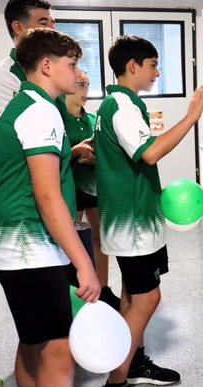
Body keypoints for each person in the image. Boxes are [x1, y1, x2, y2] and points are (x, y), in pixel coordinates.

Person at [0, 27, 100, 387]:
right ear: (46, 65)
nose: (78, 74)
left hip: (12, 251)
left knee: (33, 344)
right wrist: (85, 265)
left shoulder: (22, 104)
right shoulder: (41, 112)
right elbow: (48, 198)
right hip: (29, 252)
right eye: (72, 65)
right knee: (58, 353)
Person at [95, 35, 203, 387]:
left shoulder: (116, 104)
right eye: (153, 65)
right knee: (148, 296)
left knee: (132, 293)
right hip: (133, 225)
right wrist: (190, 118)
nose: (157, 72)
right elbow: (150, 153)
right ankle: (117, 378)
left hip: (132, 218)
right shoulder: (122, 106)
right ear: (133, 67)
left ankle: (134, 363)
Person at [63, 70, 122, 310]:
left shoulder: (91, 119)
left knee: (100, 239)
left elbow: (105, 152)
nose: (85, 92)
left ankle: (103, 287)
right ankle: (75, 291)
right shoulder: (57, 118)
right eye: (80, 85)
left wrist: (96, 157)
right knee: (73, 241)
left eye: (88, 85)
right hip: (69, 188)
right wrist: (74, 150)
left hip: (93, 185)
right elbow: (49, 158)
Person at [0, 0, 54, 134]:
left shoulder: (50, 70)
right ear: (18, 27)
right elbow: (32, 131)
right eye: (43, 23)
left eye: (53, 23)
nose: (52, 30)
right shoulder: (2, 77)